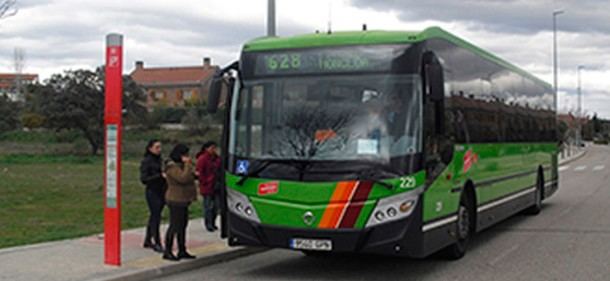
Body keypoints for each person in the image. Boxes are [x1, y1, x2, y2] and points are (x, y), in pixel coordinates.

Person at [162, 144, 197, 261]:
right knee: (174, 225)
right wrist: (187, 165)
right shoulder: (171, 167)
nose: (187, 157)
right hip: (175, 199)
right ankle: (168, 250)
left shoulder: (182, 165)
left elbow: (190, 176)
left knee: (183, 225)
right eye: (185, 155)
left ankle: (182, 249)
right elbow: (183, 178)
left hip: (184, 199)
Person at [139, 139, 166, 253]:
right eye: (157, 147)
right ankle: (157, 242)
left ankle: (147, 240)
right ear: (150, 148)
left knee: (155, 215)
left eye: (160, 147)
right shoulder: (147, 161)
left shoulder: (160, 160)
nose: (159, 150)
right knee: (156, 217)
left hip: (161, 190)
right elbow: (144, 179)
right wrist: (159, 176)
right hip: (152, 191)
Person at [196, 141, 221, 232]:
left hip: (216, 185)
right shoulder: (203, 159)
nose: (213, 150)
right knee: (208, 206)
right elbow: (200, 173)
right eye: (212, 148)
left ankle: (213, 222)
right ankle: (208, 224)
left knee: (216, 206)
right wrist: (205, 181)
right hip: (207, 186)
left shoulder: (217, 158)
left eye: (214, 148)